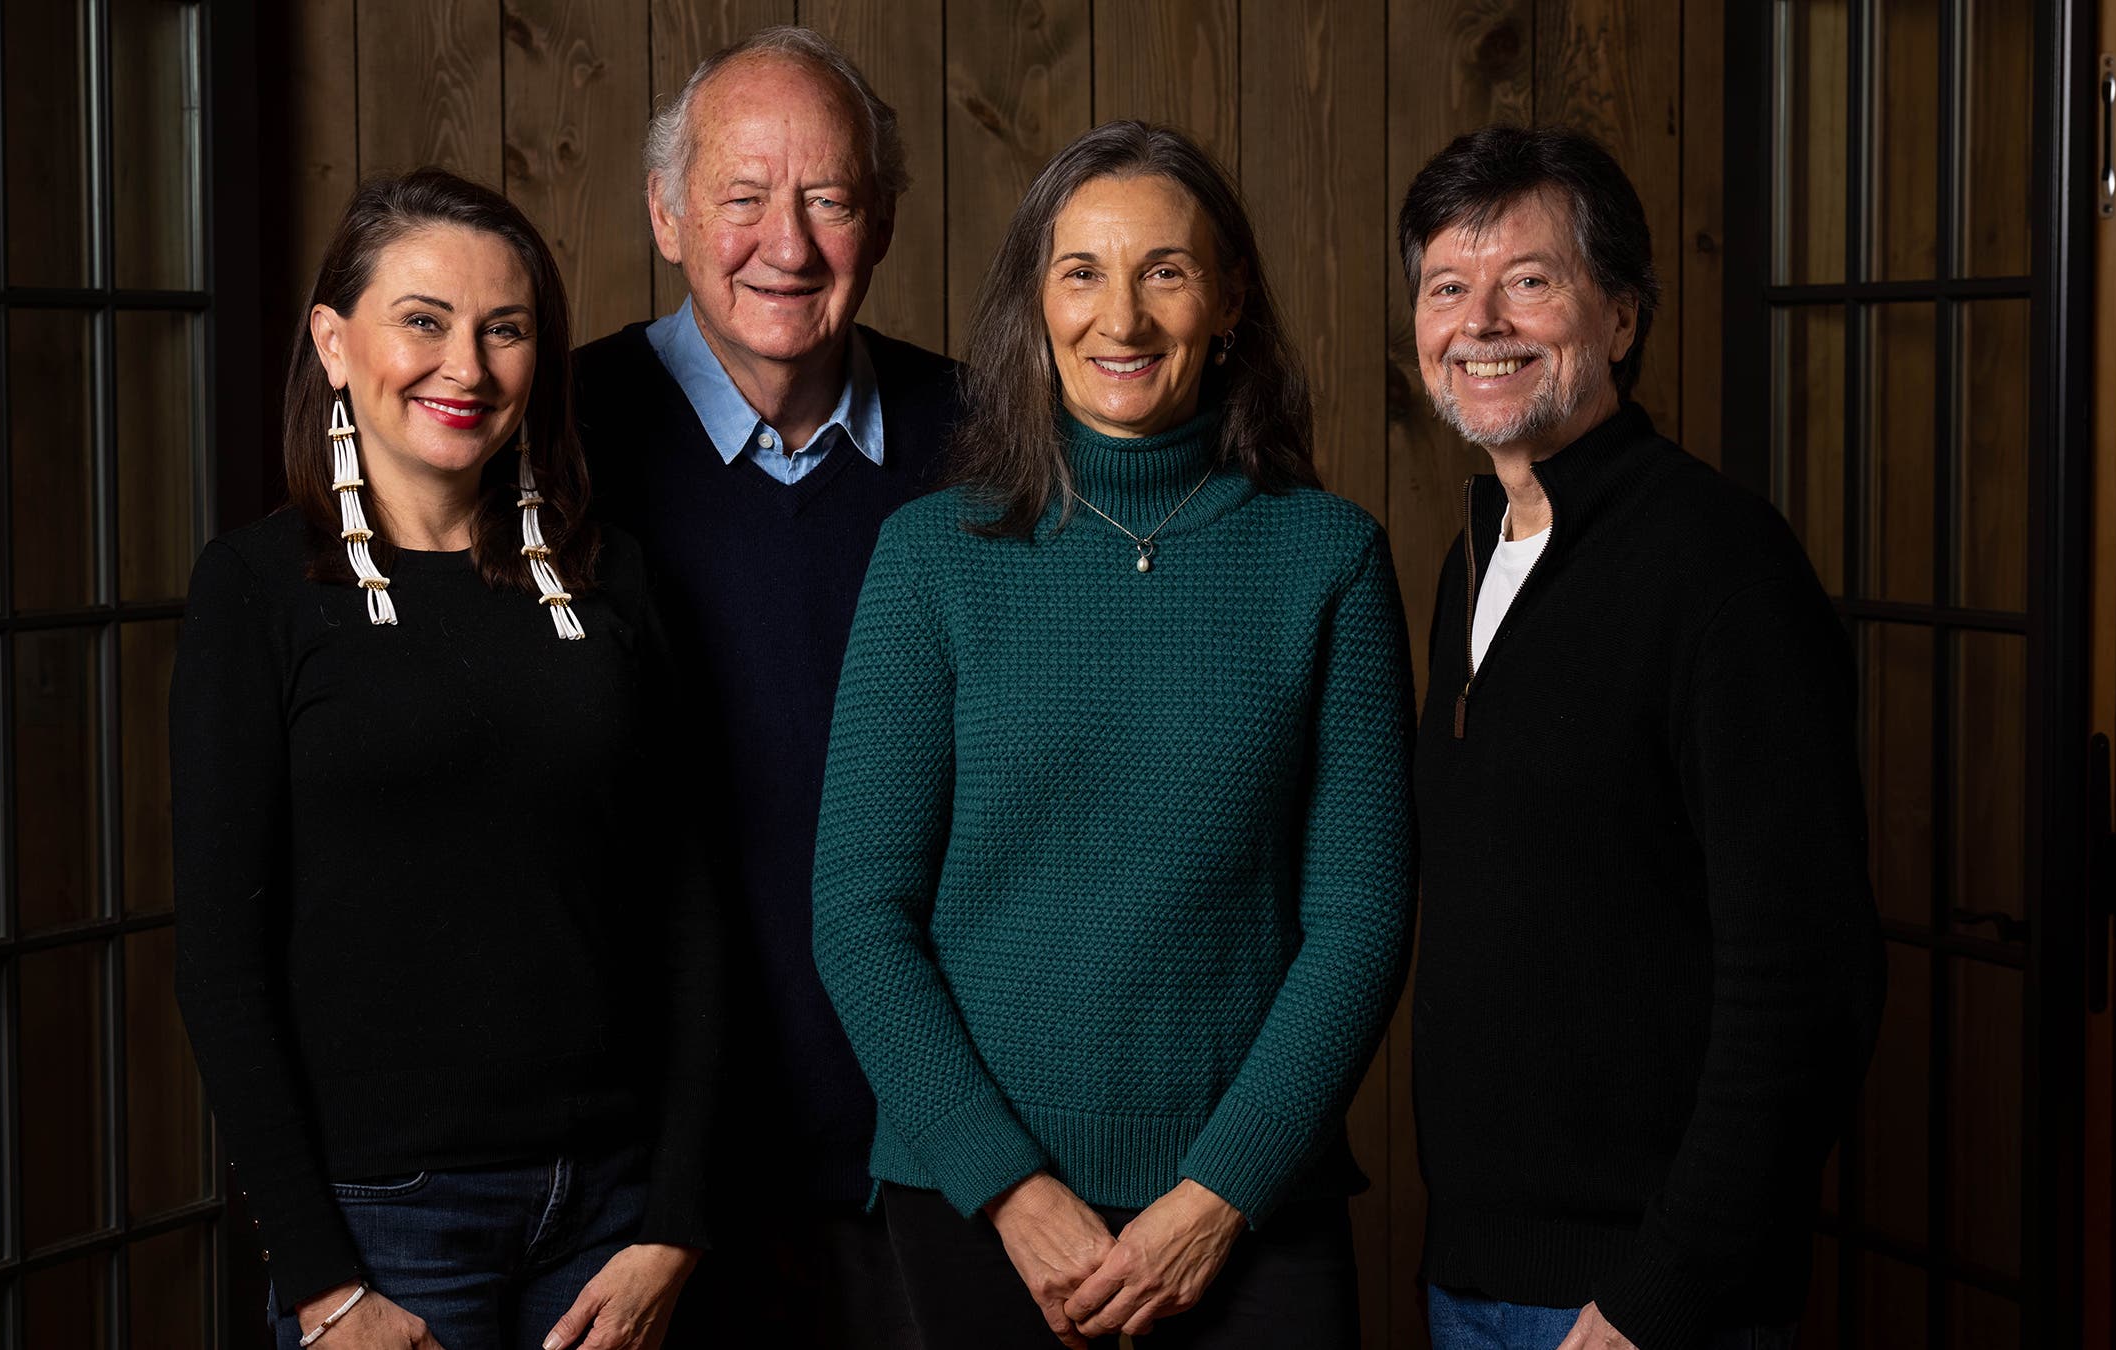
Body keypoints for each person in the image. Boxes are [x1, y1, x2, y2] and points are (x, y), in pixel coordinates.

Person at [812, 120, 1415, 1349]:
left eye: (1166, 271)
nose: (1121, 318)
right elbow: (859, 916)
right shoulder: (931, 559)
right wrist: (1015, 1192)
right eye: (1081, 271)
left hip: (1249, 1214)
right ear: (1035, 299)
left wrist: (1218, 1196)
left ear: (1231, 297)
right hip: (978, 1210)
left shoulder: (1330, 558)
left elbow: (1359, 919)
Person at [173, 169, 721, 1350]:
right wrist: (325, 1286)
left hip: (608, 1214)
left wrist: (673, 1221)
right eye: (422, 320)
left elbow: (690, 913)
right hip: (384, 1229)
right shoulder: (257, 593)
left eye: (505, 329)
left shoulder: (613, 579)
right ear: (333, 339)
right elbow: (220, 960)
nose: (465, 367)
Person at [1400, 126, 1885, 1350]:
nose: (1482, 321)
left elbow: (1808, 991)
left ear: (1620, 318)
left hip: (1649, 1304)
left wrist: (1651, 1301)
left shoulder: (1721, 569)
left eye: (1531, 280)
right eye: (1447, 287)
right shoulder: (1479, 555)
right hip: (1475, 1279)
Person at [569, 26, 956, 1348]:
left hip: (928, 1151)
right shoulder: (557, 443)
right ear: (668, 215)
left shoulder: (984, 447)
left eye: (830, 198)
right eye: (741, 196)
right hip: (638, 1178)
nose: (785, 243)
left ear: (885, 220)